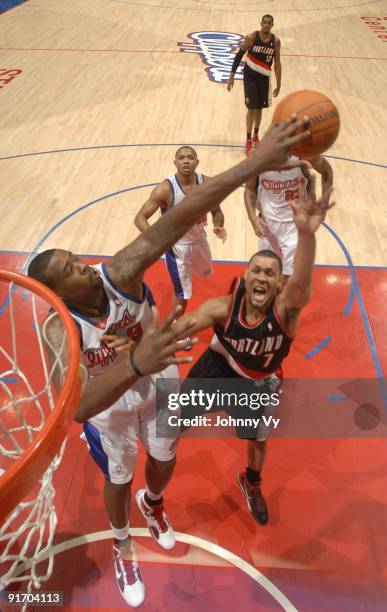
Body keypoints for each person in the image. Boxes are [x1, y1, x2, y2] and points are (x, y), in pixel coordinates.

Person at [27, 116, 311, 607]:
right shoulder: (60, 329)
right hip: (110, 404)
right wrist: (134, 361)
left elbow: (180, 217)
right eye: (72, 270)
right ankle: (121, 543)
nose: (85, 268)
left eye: (77, 258)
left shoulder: (117, 270)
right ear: (57, 293)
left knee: (164, 459)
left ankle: (153, 505)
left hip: (156, 372)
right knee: (118, 476)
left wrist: (252, 166)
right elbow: (76, 405)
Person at [172, 175, 333, 526]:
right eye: (256, 270)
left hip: (256, 384)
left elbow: (303, 286)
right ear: (246, 275)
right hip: (215, 370)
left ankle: (251, 482)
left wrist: (306, 235)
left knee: (257, 442)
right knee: (172, 424)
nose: (262, 277)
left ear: (279, 283)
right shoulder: (223, 306)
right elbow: (179, 328)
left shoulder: (286, 311)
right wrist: (136, 346)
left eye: (270, 273)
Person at [134, 146, 227, 315]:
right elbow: (140, 218)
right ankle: (175, 330)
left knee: (204, 275)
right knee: (183, 294)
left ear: (197, 162)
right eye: (182, 158)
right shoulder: (165, 189)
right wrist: (156, 240)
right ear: (175, 162)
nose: (186, 161)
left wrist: (218, 224)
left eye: (190, 157)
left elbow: (217, 210)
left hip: (199, 238)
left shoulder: (207, 183)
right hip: (177, 247)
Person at [245, 153, 333, 281]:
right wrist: (252, 216)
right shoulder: (259, 158)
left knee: (290, 277)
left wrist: (324, 205)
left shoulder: (306, 154)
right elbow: (249, 189)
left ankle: (285, 297)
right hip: (267, 224)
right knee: (267, 273)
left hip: (295, 224)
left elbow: (327, 171)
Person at [227, 14, 281, 156]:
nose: (267, 25)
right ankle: (248, 139)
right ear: (261, 23)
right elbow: (239, 55)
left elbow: (277, 64)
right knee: (251, 108)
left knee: (259, 109)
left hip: (264, 77)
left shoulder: (276, 41)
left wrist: (279, 83)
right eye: (265, 22)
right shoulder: (251, 37)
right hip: (250, 77)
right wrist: (231, 76)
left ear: (272, 25)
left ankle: (256, 135)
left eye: (269, 23)